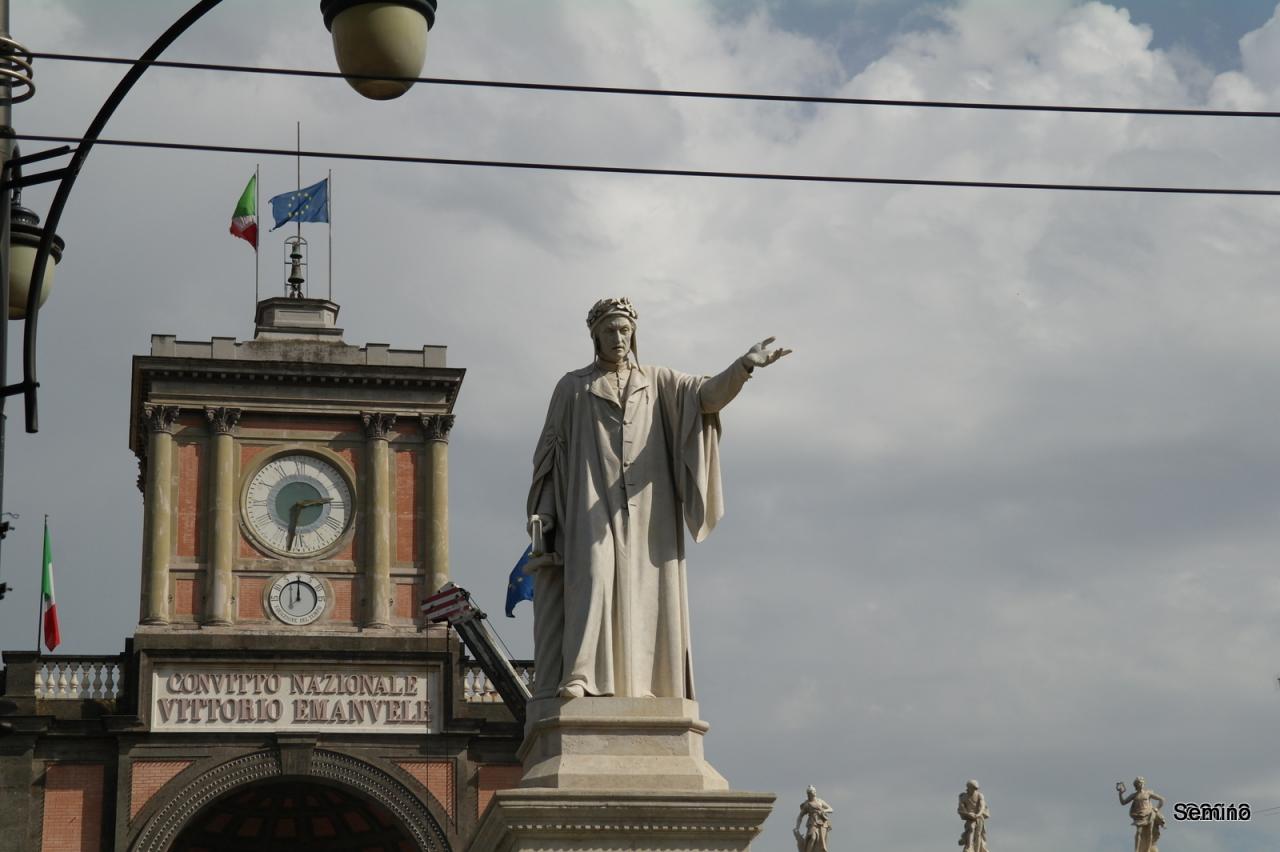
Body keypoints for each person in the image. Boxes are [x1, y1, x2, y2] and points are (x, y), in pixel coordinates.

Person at [526, 297, 790, 699]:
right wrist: (544, 513)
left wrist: (743, 367)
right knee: (593, 578)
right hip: (589, 505)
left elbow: (707, 396)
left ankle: (647, 684)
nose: (618, 338)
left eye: (625, 330)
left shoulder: (659, 380)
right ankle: (581, 676)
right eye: (610, 330)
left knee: (648, 593)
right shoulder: (572, 387)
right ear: (595, 335)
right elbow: (551, 455)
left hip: (650, 511)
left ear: (634, 335)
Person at [1117, 777, 1166, 852]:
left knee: (1150, 831)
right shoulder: (1134, 795)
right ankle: (1137, 850)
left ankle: (1148, 849)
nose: (1141, 784)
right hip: (1139, 815)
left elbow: (1162, 799)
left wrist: (1156, 809)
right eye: (1139, 783)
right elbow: (1123, 802)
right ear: (1136, 785)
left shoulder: (1148, 793)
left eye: (1142, 782)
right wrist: (1120, 793)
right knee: (1139, 831)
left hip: (1149, 813)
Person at [794, 785, 834, 852]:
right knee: (812, 837)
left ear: (815, 793)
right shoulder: (807, 804)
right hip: (812, 822)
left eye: (812, 793)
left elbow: (831, 809)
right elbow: (800, 816)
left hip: (822, 822)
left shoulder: (820, 801)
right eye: (809, 794)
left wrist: (824, 811)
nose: (811, 795)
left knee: (821, 840)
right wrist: (797, 826)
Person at [957, 780, 989, 852]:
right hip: (970, 817)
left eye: (976, 788)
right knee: (971, 828)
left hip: (979, 817)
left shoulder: (979, 795)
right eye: (973, 788)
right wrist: (968, 814)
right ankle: (969, 846)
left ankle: (977, 850)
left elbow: (982, 807)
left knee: (978, 834)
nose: (975, 789)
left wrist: (978, 815)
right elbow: (961, 809)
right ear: (969, 787)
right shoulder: (963, 797)